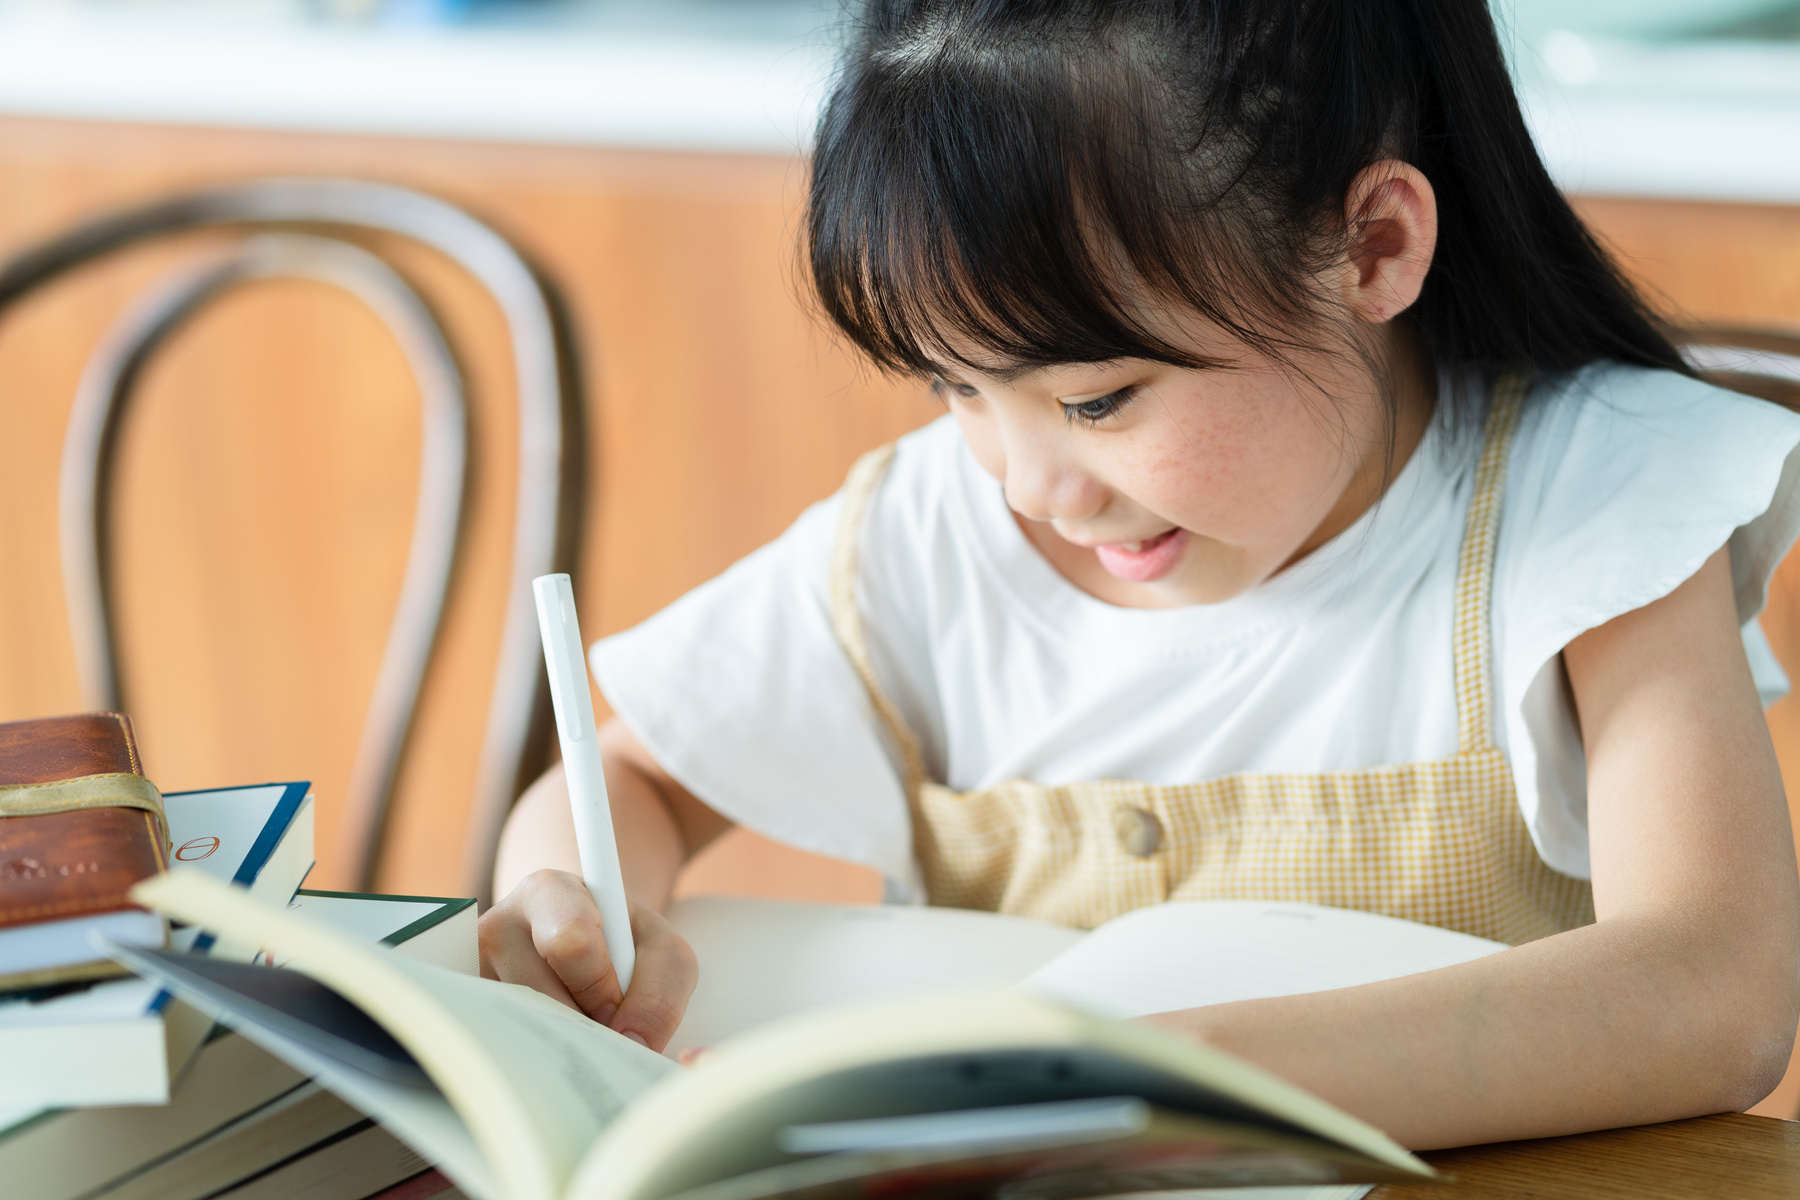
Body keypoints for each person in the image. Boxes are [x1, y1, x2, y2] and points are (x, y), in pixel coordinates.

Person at [478, 0, 1800, 1150]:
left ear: (1372, 248)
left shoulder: (1596, 500)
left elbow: (1710, 994)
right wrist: (578, 902)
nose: (1028, 484)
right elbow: (631, 782)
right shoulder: (927, 536)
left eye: (1101, 400)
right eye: (956, 388)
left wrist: (1155, 1079)